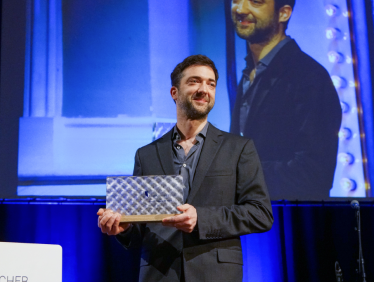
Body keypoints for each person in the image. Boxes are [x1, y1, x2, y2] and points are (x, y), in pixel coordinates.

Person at [98, 55, 273, 282]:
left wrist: (201, 218)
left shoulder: (239, 148)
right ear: (174, 93)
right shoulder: (147, 154)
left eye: (211, 84)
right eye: (194, 81)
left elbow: (260, 214)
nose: (204, 89)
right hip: (159, 274)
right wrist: (124, 228)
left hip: (216, 275)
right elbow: (141, 228)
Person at [230, 0, 342, 200]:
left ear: (283, 13)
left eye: (256, 2)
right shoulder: (250, 74)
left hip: (291, 226)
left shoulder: (309, 77)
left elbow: (313, 173)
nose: (241, 9)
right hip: (253, 224)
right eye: (236, 0)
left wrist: (237, 175)